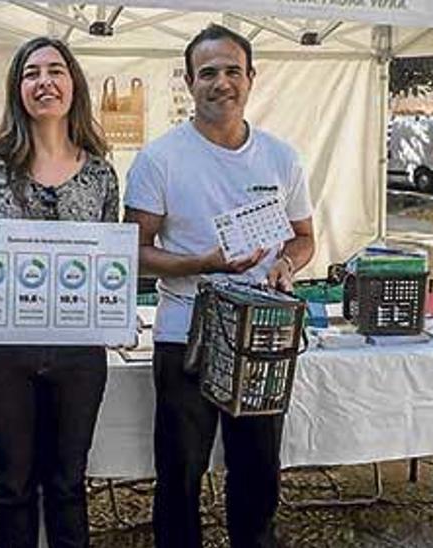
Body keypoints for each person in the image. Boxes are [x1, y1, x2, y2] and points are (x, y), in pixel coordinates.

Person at [124, 24, 316, 548]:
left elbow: (303, 238)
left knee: (258, 470)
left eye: (233, 70)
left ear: (251, 78)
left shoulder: (282, 157)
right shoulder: (159, 159)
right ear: (189, 82)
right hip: (185, 333)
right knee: (180, 473)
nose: (221, 82)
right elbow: (134, 253)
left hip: (262, 335)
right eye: (208, 72)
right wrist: (201, 263)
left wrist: (287, 267)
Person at [0, 36, 117, 548]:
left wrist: (115, 307)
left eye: (55, 71)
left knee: (68, 484)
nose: (44, 81)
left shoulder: (103, 174)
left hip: (77, 350)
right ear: (17, 89)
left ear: (73, 84)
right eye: (31, 73)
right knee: (14, 484)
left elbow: (109, 261)